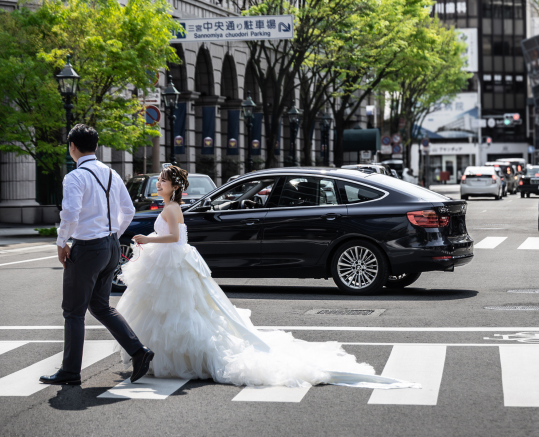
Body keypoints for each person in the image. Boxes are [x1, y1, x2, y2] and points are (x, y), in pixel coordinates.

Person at [116, 166, 419, 390]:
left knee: (176, 312)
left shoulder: (171, 209)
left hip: (171, 260)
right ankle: (162, 356)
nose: (158, 184)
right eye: (158, 180)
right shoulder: (173, 207)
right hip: (173, 263)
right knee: (179, 312)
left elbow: (176, 239)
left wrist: (147, 238)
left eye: (161, 181)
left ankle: (166, 357)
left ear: (173, 186)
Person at [41, 125, 154, 386]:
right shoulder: (111, 173)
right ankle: (139, 352)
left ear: (72, 146)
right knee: (101, 306)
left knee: (73, 311)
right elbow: (128, 210)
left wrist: (61, 242)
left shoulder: (75, 177)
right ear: (96, 146)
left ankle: (70, 371)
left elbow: (70, 214)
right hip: (111, 247)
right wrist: (113, 234)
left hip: (88, 248)